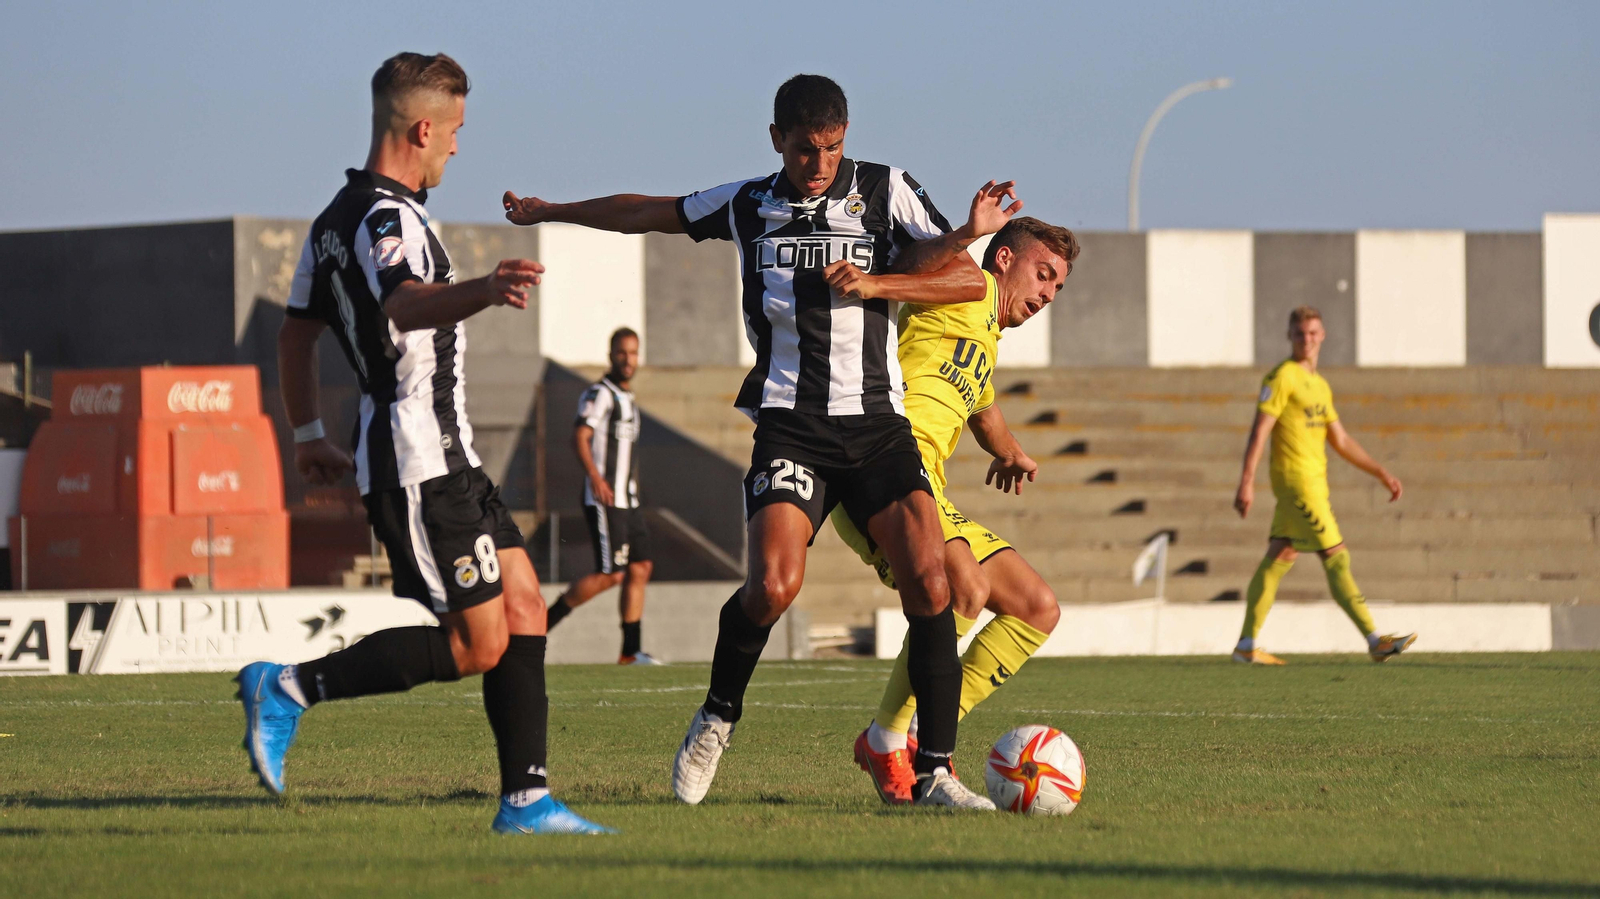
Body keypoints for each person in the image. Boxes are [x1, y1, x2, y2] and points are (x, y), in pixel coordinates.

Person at [504, 74, 1006, 808]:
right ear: (777, 140)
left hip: (877, 426)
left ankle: (934, 772)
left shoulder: (886, 188)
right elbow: (646, 211)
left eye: (832, 148)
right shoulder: (747, 203)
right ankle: (716, 717)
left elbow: (964, 280)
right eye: (804, 150)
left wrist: (884, 281)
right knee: (772, 587)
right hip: (790, 424)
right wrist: (552, 211)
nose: (820, 164)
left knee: (933, 584)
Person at [238, 52, 611, 834]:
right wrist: (486, 288)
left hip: (450, 456)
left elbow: (295, 334)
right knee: (477, 643)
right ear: (421, 129)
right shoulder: (387, 218)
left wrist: (307, 434)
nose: (458, 147)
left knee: (525, 608)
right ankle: (289, 687)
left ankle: (527, 803)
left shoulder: (332, 220)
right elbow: (405, 304)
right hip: (415, 461)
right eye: (455, 131)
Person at [835, 216, 1078, 804]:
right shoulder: (964, 285)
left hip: (929, 487)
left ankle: (924, 729)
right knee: (963, 583)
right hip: (879, 468)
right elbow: (921, 267)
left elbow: (982, 407)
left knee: (1036, 607)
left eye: (1057, 285)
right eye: (1043, 274)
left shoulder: (985, 332)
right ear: (1004, 259)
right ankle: (886, 739)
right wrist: (886, 276)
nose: (1048, 294)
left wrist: (1011, 451)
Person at [1231, 305, 1417, 665]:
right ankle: (1375, 640)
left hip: (1314, 483)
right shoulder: (1281, 377)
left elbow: (1341, 440)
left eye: (1313, 333)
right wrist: (1246, 482)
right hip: (1297, 483)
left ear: (1323, 335)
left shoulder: (1319, 385)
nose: (1307, 340)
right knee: (1336, 556)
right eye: (1300, 334)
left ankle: (1246, 645)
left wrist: (1380, 472)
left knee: (1280, 556)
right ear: (1289, 336)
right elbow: (1260, 431)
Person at [545, 327, 661, 665]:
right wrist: (595, 477)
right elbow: (580, 436)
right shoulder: (600, 394)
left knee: (641, 567)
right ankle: (537, 627)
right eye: (622, 352)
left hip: (629, 499)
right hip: (606, 499)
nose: (628, 359)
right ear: (611, 355)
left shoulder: (628, 398)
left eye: (633, 353)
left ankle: (630, 652)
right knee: (611, 574)